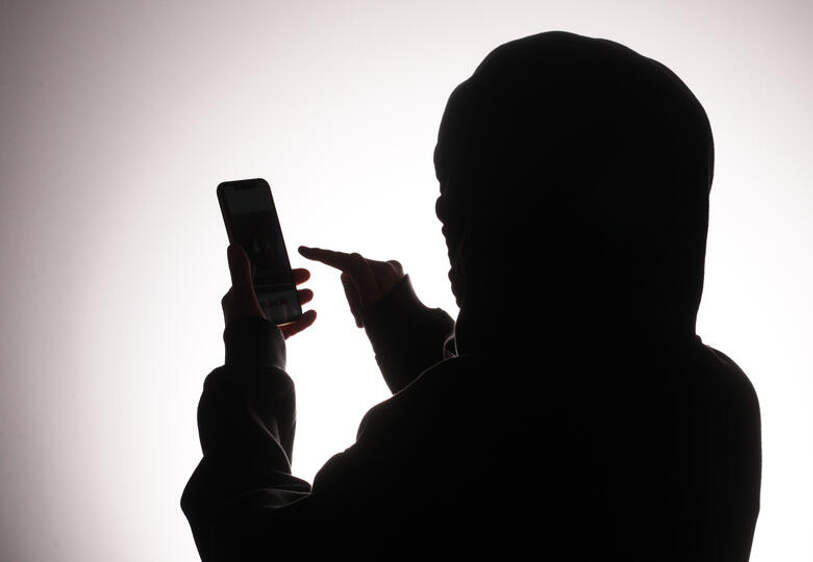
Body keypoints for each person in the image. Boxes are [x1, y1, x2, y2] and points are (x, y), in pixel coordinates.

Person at [182, 30, 761, 561]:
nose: (445, 219)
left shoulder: (471, 432)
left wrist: (253, 363)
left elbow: (256, 545)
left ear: (547, 212)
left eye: (469, 195)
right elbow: (518, 429)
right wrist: (398, 321)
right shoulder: (718, 401)